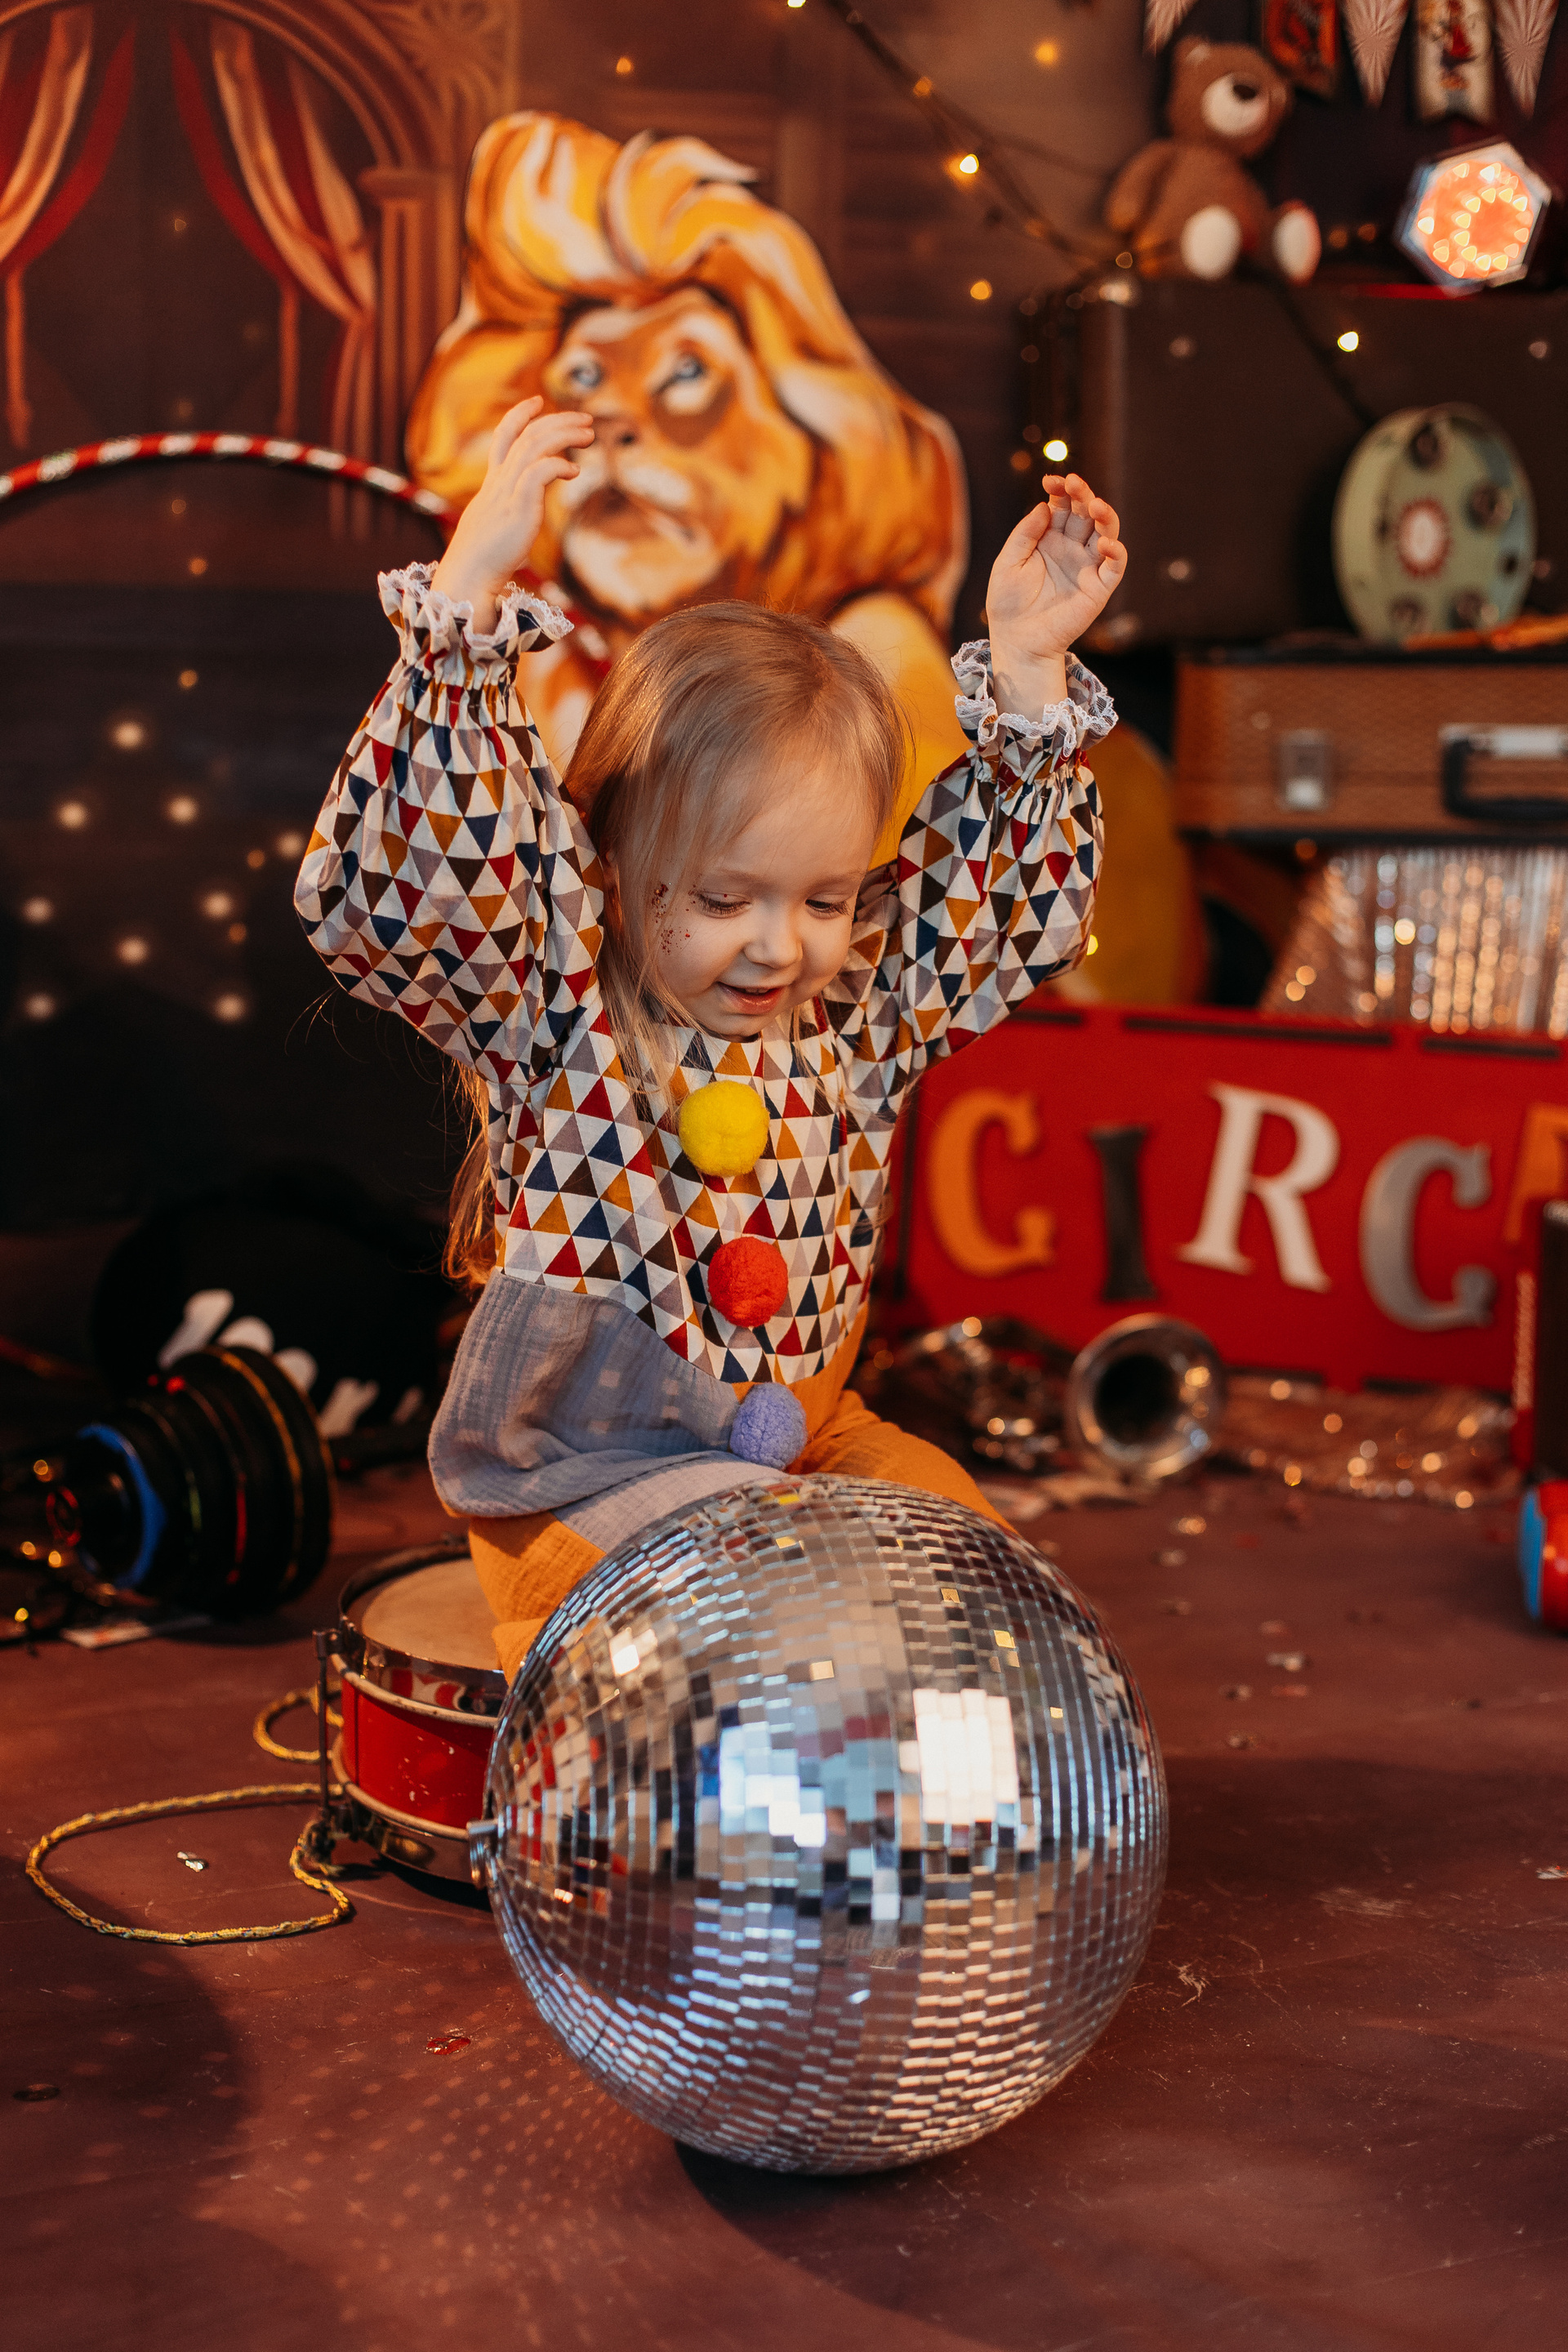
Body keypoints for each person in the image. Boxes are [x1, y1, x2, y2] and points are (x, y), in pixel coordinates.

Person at [296, 399, 1126, 1674]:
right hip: (582, 1486)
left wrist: (1026, 667)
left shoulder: (854, 1015)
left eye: (826, 900)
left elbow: (989, 910)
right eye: (726, 899)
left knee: (988, 1591)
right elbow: (426, 881)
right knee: (761, 1619)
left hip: (805, 1444)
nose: (778, 947)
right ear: (616, 871)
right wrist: (464, 609)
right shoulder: (559, 1000)